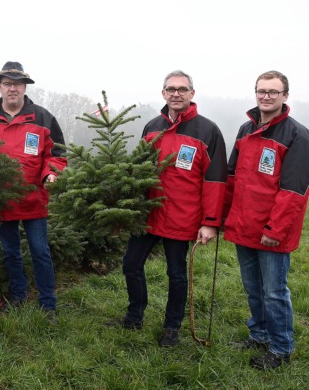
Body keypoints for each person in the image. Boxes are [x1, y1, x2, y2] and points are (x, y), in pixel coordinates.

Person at [106, 70, 227, 347]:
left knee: (176, 273)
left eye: (182, 89)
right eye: (171, 89)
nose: (176, 93)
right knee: (131, 265)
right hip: (149, 214)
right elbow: (138, 172)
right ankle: (134, 316)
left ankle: (171, 327)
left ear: (192, 94)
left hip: (183, 216)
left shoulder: (208, 131)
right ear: (163, 94)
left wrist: (210, 221)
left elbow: (216, 180)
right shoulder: (151, 127)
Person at [223, 70, 309, 370]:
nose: (266, 96)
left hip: (272, 232)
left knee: (274, 292)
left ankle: (281, 347)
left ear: (285, 96)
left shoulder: (297, 135)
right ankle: (258, 334)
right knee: (253, 288)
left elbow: (294, 190)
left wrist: (274, 229)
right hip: (244, 226)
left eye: (273, 92)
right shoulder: (246, 129)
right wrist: (223, 217)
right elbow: (232, 177)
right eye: (261, 91)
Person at [0, 61, 67, 323]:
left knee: (40, 251)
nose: (12, 88)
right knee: (10, 252)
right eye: (7, 83)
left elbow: (57, 153)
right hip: (1, 201)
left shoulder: (43, 117)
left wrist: (51, 172)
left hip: (34, 199)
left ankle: (48, 305)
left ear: (25, 87)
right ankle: (17, 297)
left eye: (17, 84)